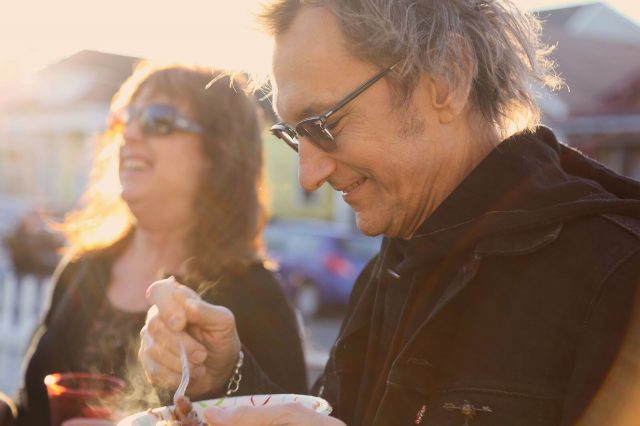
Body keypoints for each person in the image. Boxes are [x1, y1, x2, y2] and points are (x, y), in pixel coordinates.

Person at [140, 1, 640, 425]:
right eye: (294, 136)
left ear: (446, 77)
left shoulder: (617, 276)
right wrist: (225, 378)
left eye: (324, 123)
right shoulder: (397, 260)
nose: (308, 175)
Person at [0, 62, 307, 426]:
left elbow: (292, 418)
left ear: (217, 156)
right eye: (124, 118)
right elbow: (32, 408)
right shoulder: (84, 268)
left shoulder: (256, 295)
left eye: (158, 120)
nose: (129, 133)